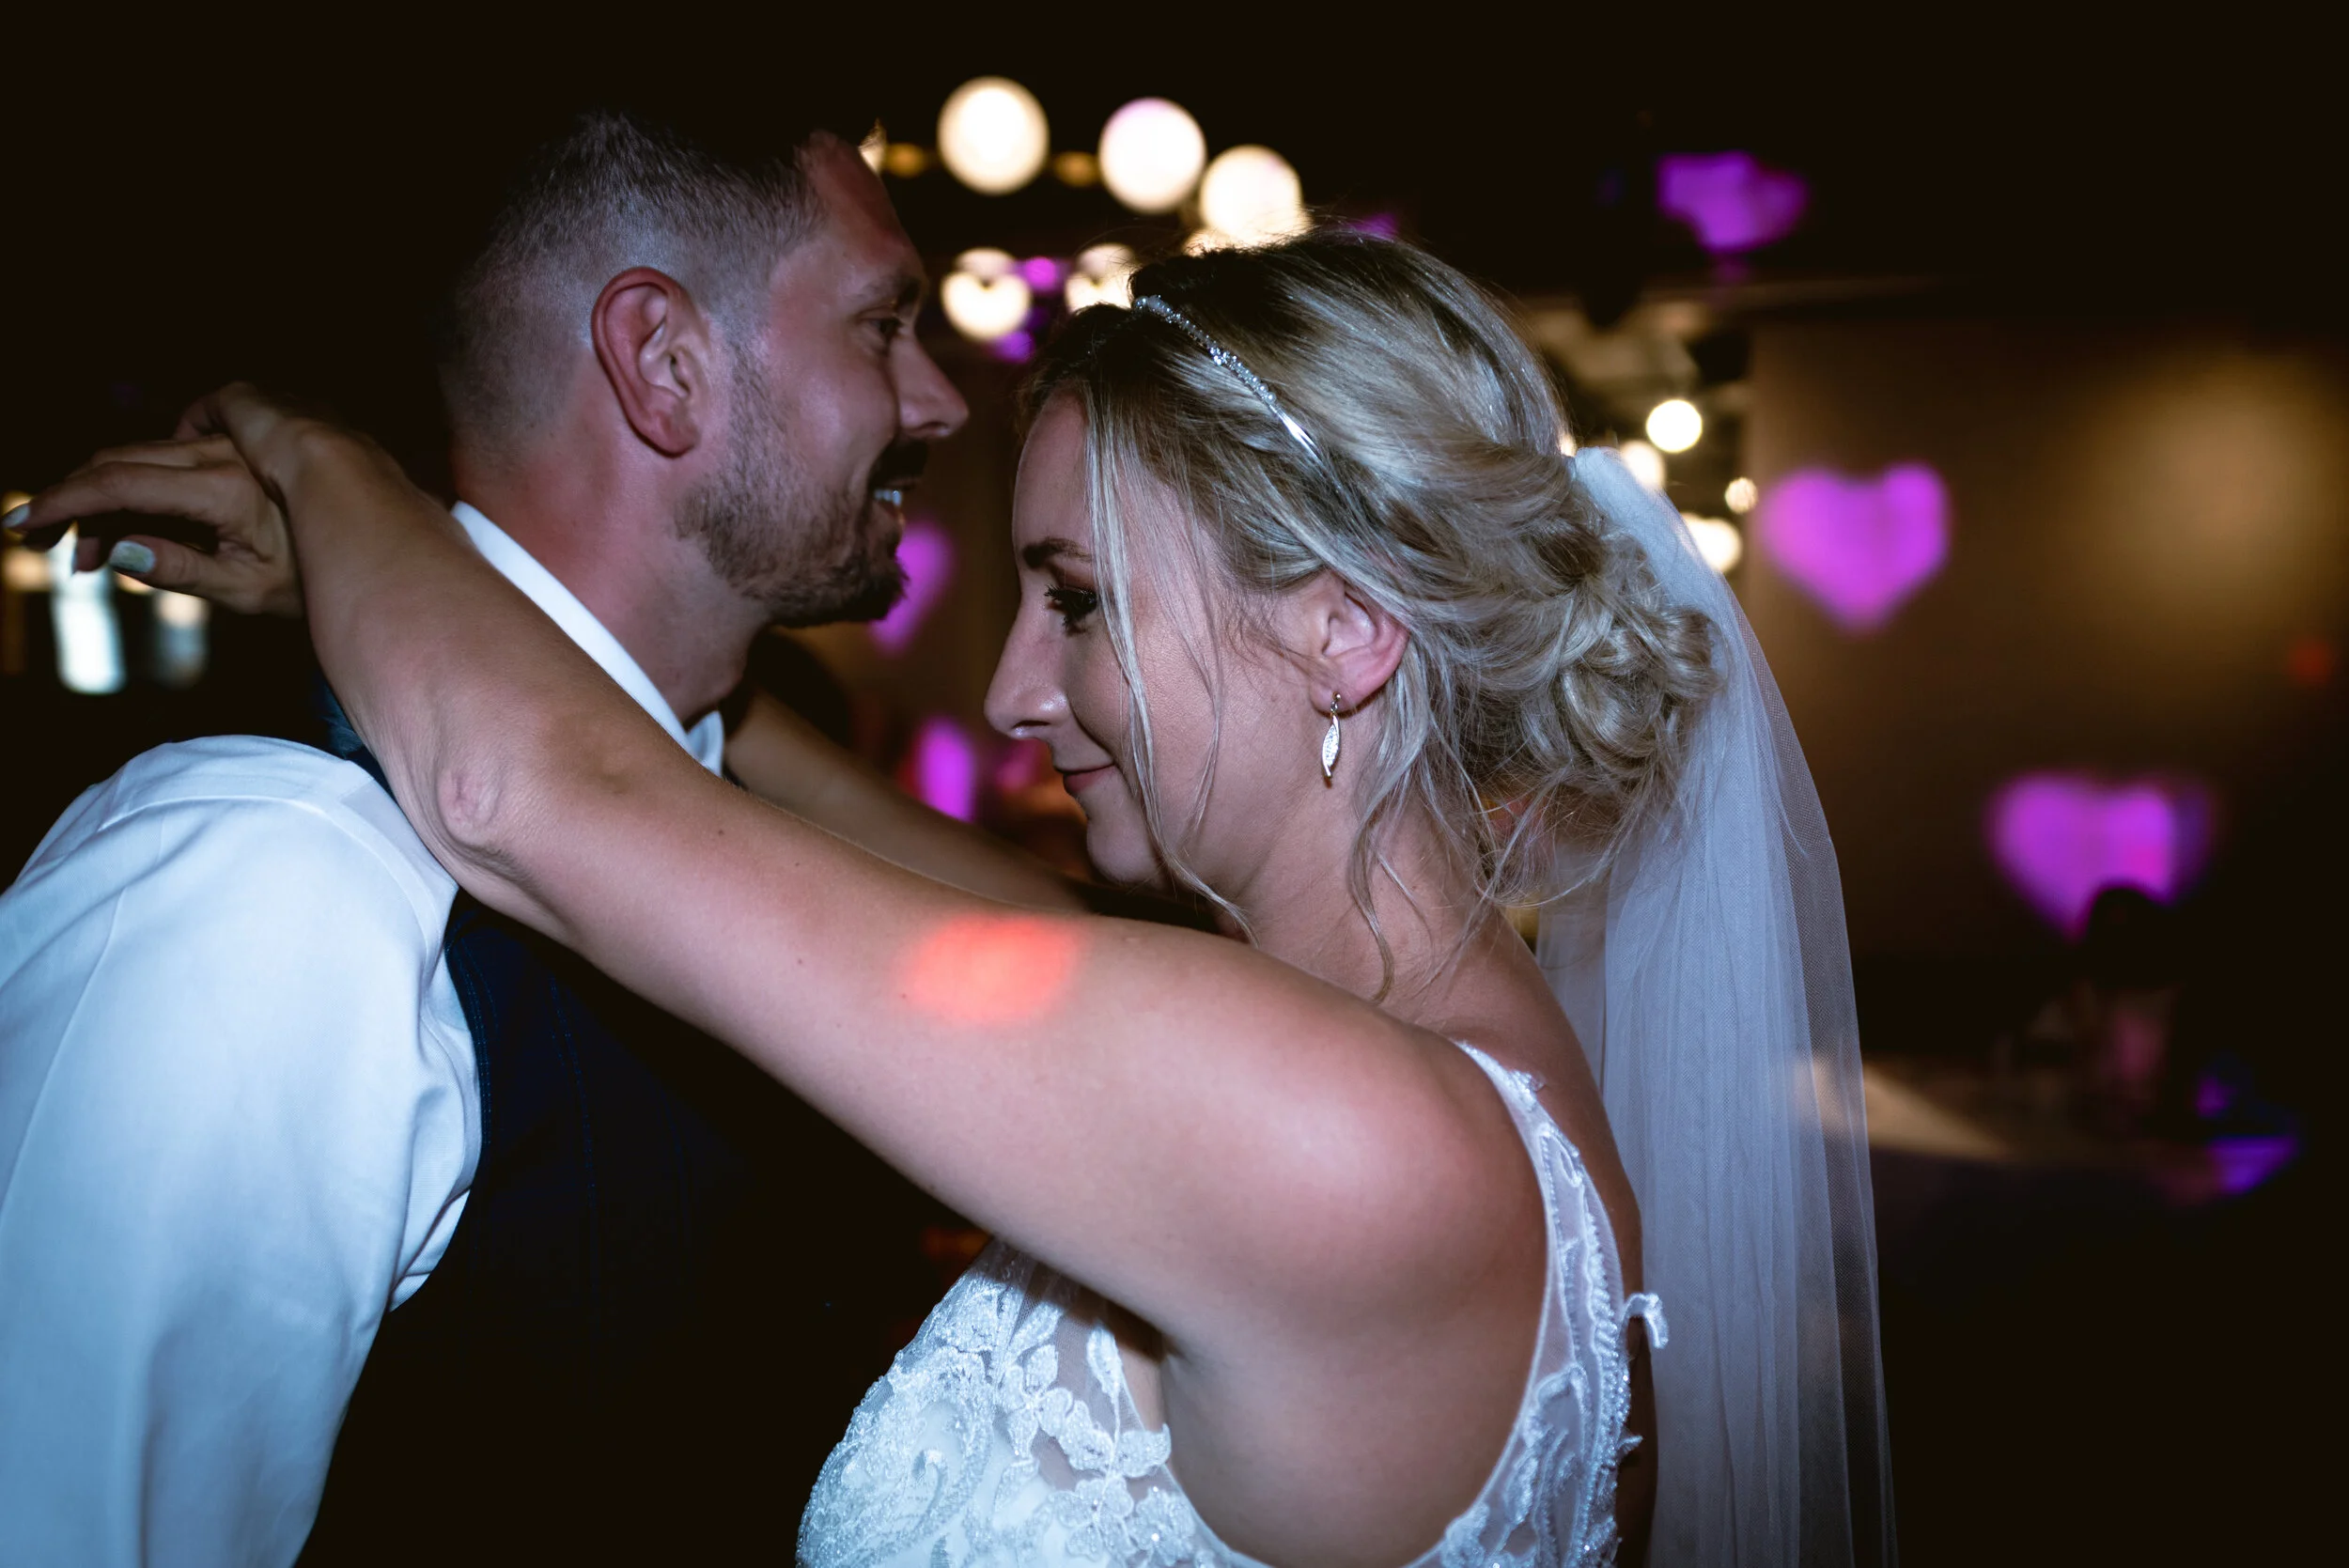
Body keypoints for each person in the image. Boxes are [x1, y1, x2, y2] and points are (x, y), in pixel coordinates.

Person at [25, 234, 1893, 1565]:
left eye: (1074, 601)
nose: (1008, 690)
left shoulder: (1329, 1131)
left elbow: (520, 797)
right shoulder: (1427, 1064)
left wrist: (327, 461)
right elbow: (837, 835)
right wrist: (655, 654)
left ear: (1340, 628)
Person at [0, 108, 1066, 1564]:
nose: (940, 400)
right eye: (884, 324)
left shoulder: (738, 809)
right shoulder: (269, 886)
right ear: (662, 360)